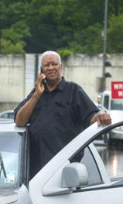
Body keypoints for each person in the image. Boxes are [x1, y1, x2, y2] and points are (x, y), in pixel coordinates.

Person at [14, 51, 111, 179]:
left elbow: (91, 117)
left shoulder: (73, 90)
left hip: (64, 170)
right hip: (35, 171)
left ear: (61, 67)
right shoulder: (36, 93)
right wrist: (37, 94)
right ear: (41, 70)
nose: (50, 68)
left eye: (54, 64)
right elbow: (19, 121)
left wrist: (101, 117)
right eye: (46, 65)